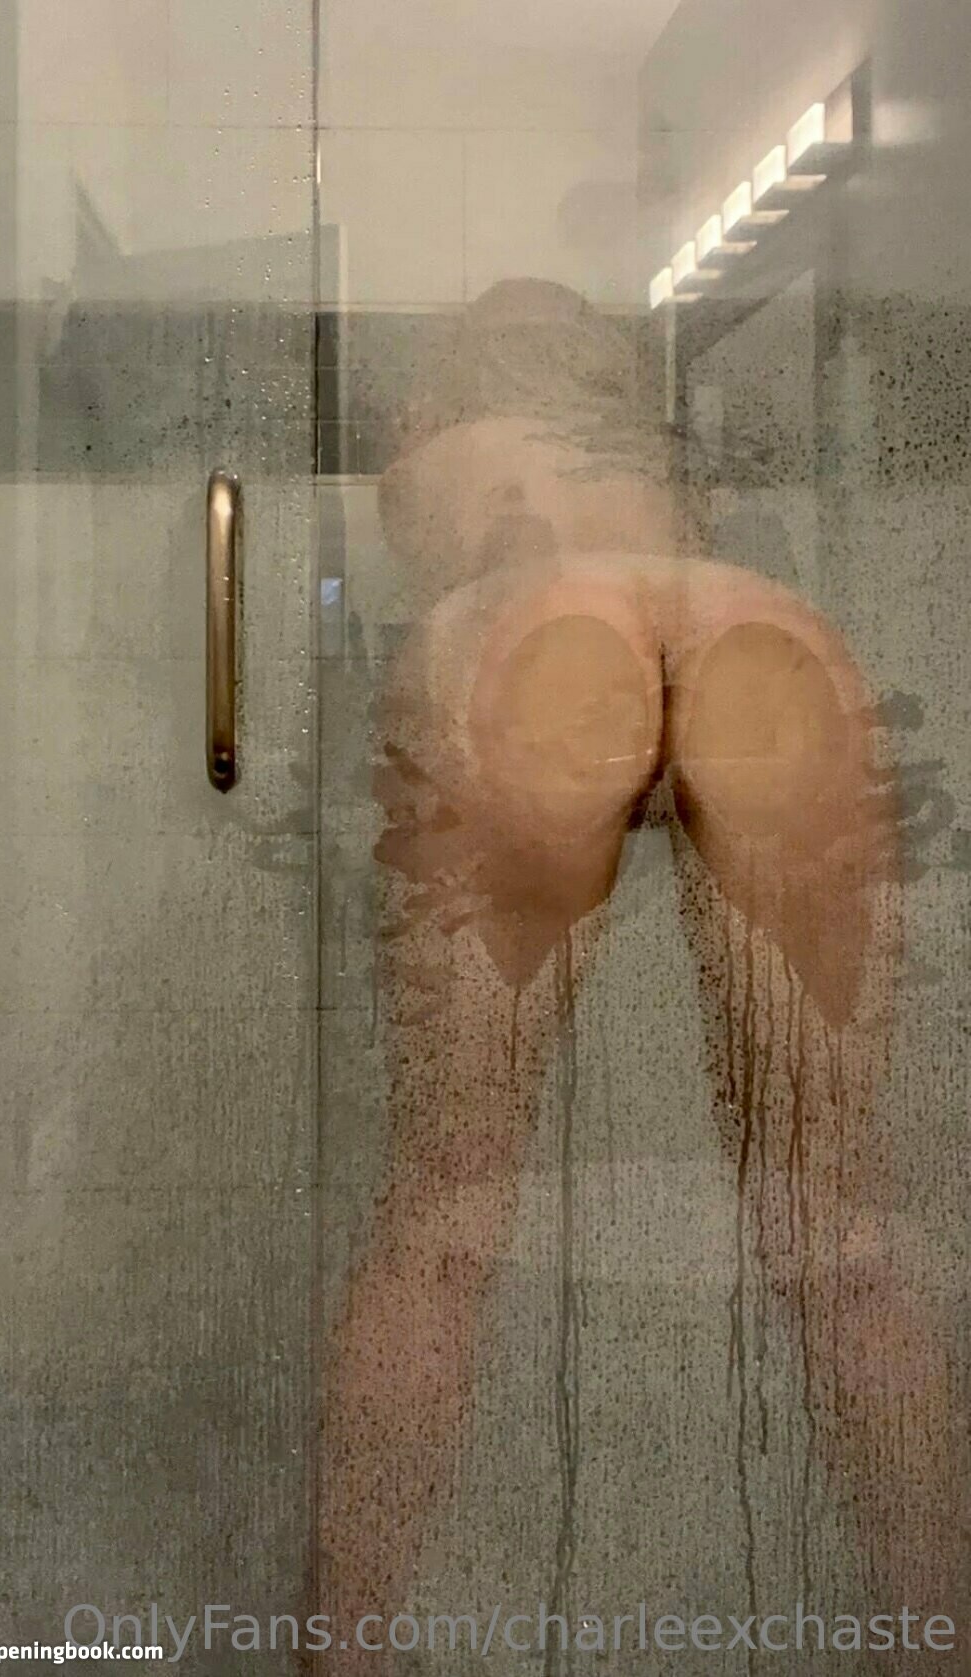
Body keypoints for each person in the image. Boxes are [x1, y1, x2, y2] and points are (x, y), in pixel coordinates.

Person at [314, 282, 959, 1667]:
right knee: (840, 1234)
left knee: (442, 1214)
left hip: (532, 643)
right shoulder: (653, 457)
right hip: (760, 636)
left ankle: (342, 1654)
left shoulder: (440, 433)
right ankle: (943, 1640)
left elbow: (452, 564)